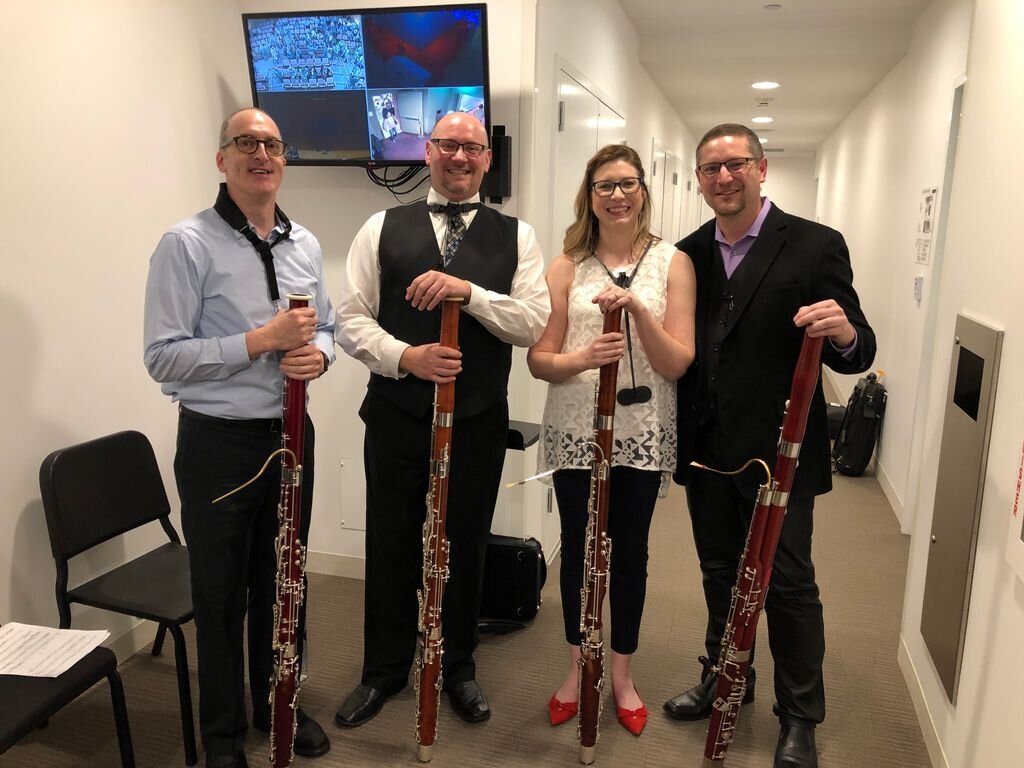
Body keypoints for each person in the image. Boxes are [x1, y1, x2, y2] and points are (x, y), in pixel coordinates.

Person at [662, 123, 875, 768]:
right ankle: (727, 677)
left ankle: (800, 714)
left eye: (736, 165)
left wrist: (842, 334)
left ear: (760, 169)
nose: (724, 178)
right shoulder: (687, 252)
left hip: (780, 453)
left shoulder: (814, 245)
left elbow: (860, 348)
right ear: (698, 180)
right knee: (720, 572)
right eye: (710, 169)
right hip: (706, 448)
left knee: (785, 583)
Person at [333, 112, 549, 728]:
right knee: (393, 539)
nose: (460, 157)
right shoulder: (381, 225)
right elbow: (350, 319)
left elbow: (531, 323)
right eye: (448, 145)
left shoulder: (519, 236)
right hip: (398, 413)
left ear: (487, 160)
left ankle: (458, 668)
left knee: (466, 541)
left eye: (472, 148)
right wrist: (407, 357)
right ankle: (383, 670)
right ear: (428, 152)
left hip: (479, 417)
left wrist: (470, 293)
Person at [144, 107, 335, 768]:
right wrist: (261, 342)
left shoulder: (304, 243)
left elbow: (327, 328)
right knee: (221, 596)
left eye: (273, 144)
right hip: (219, 444)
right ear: (221, 160)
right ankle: (222, 737)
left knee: (285, 583)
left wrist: (322, 356)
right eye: (246, 143)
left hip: (289, 434)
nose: (262, 154)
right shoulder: (186, 244)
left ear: (284, 160)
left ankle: (278, 703)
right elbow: (163, 357)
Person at [528, 145, 695, 736]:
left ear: (643, 191)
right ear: (589, 195)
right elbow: (540, 361)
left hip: (641, 435)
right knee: (578, 549)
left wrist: (637, 316)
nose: (617, 195)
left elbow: (676, 362)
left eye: (627, 184)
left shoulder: (672, 261)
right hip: (577, 431)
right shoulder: (565, 265)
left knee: (630, 556)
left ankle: (620, 674)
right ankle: (577, 669)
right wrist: (584, 356)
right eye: (605, 186)